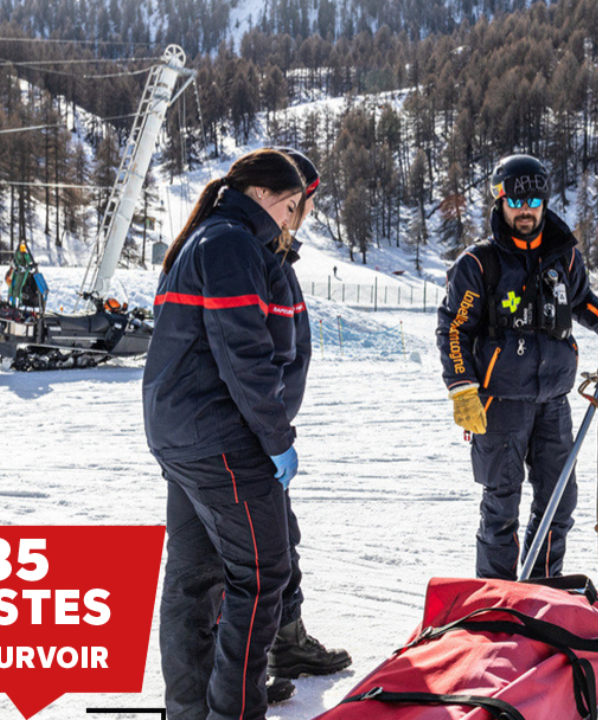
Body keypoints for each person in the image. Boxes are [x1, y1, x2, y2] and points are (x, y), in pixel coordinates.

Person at [143, 149, 308, 720]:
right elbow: (244, 355)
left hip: (182, 433)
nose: (290, 223)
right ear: (263, 194)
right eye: (291, 208)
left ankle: (189, 711)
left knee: (194, 578)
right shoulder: (233, 243)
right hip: (221, 437)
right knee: (263, 575)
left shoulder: (207, 238)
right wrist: (277, 437)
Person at [436, 153, 598, 580]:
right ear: (500, 201)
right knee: (501, 507)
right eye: (515, 202)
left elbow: (581, 300)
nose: (525, 211)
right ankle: (496, 599)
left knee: (559, 503)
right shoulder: (479, 264)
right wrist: (462, 387)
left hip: (553, 400)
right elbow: (453, 329)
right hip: (499, 403)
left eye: (533, 202)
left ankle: (542, 590)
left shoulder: (563, 256)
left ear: (544, 201)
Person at [263, 147, 353, 685]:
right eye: (302, 203)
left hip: (265, 425)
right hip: (251, 431)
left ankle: (285, 639)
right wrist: (270, 432)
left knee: (280, 538)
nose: (304, 213)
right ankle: (243, 664)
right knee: (256, 548)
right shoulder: (256, 256)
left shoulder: (277, 255)